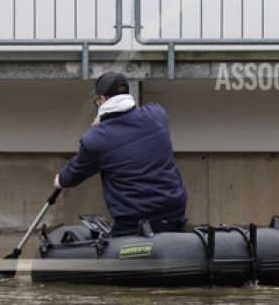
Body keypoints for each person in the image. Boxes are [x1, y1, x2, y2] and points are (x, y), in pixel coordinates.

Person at [54, 71, 188, 236]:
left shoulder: (95, 138)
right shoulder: (157, 115)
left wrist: (59, 180)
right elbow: (135, 116)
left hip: (134, 221)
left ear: (102, 100)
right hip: (174, 211)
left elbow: (70, 177)